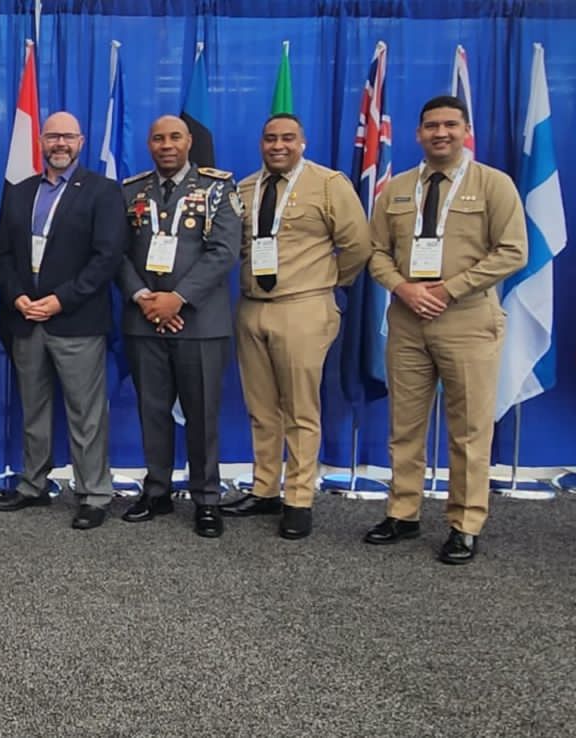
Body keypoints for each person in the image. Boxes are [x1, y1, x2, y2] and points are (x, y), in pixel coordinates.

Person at [363, 95, 526, 565]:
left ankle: (464, 524)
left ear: (465, 130)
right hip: (408, 321)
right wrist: (403, 288)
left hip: (468, 321)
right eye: (431, 125)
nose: (440, 133)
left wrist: (450, 289)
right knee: (405, 426)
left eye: (450, 125)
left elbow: (513, 251)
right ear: (418, 134)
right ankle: (403, 511)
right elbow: (375, 252)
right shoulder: (395, 189)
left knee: (469, 429)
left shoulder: (493, 185)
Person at [221, 114, 371, 540]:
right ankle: (265, 488)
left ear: (303, 142)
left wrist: (325, 282)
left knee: (301, 410)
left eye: (288, 138)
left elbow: (358, 244)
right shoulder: (246, 188)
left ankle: (299, 498)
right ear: (261, 143)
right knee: (261, 408)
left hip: (303, 306)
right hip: (252, 307)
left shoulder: (328, 184)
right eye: (270, 138)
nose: (278, 145)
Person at [0, 111, 127, 530]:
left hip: (76, 320)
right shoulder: (20, 191)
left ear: (82, 142)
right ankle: (34, 484)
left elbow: (106, 258)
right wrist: (18, 297)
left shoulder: (103, 192)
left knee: (86, 413)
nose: (60, 144)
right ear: (41, 142)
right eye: (52, 137)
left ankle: (94, 493)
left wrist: (58, 300)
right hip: (25, 319)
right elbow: (4, 255)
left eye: (68, 137)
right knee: (34, 409)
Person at [117, 115, 239, 538]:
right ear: (149, 145)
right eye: (158, 138)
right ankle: (157, 489)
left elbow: (224, 252)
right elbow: (117, 254)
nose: (166, 145)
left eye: (174, 137)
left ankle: (206, 497)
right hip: (144, 318)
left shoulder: (218, 188)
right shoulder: (132, 191)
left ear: (189, 141)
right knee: (151, 410)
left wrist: (177, 300)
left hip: (200, 321)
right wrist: (144, 299)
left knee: (202, 412)